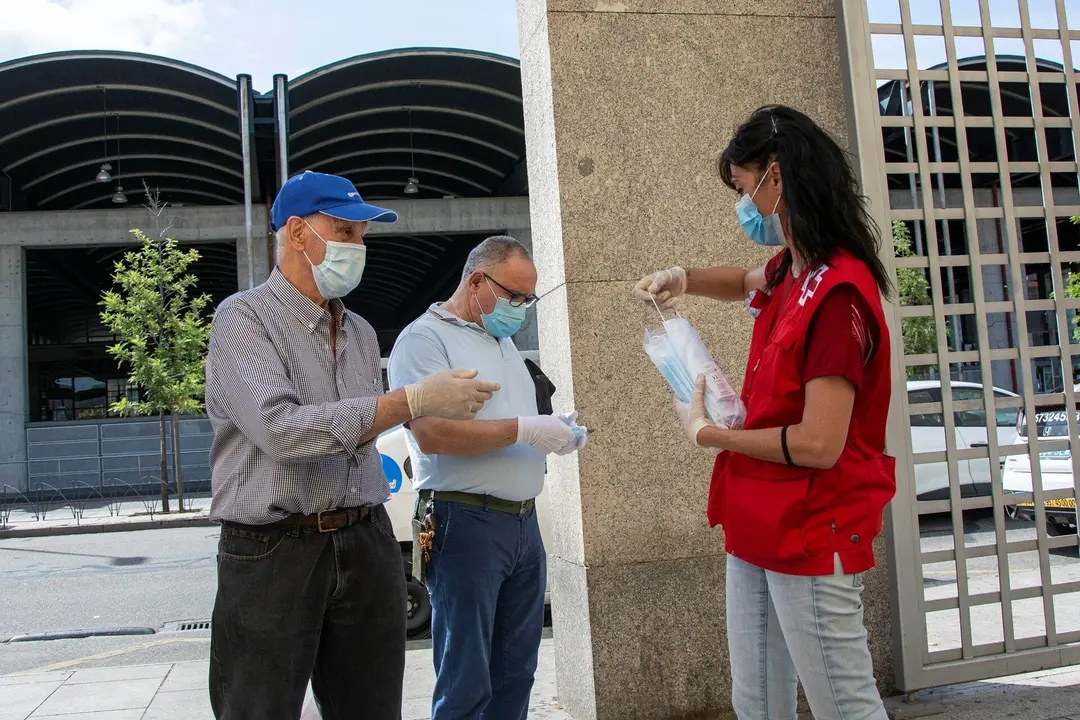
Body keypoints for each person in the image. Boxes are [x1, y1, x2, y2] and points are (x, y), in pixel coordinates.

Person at [204, 170, 501, 720]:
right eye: (344, 231)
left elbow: (356, 434)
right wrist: (409, 401)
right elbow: (282, 431)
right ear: (297, 233)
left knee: (371, 707)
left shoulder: (361, 332)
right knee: (258, 708)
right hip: (273, 548)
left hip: (365, 536)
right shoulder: (242, 319)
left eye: (362, 236)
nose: (358, 248)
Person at [634, 105, 896, 720]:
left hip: (812, 524)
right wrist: (684, 278)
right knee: (756, 698)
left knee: (844, 702)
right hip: (758, 517)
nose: (743, 206)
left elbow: (818, 444)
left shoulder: (837, 294)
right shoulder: (791, 269)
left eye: (744, 188)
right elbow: (746, 279)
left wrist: (711, 434)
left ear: (776, 177)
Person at [388, 235, 586, 720]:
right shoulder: (424, 340)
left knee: (516, 671)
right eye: (514, 296)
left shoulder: (501, 340)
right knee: (466, 676)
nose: (520, 308)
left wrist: (552, 430)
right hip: (465, 521)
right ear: (476, 280)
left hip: (521, 523)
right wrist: (525, 429)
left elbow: (513, 419)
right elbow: (432, 433)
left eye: (527, 299)